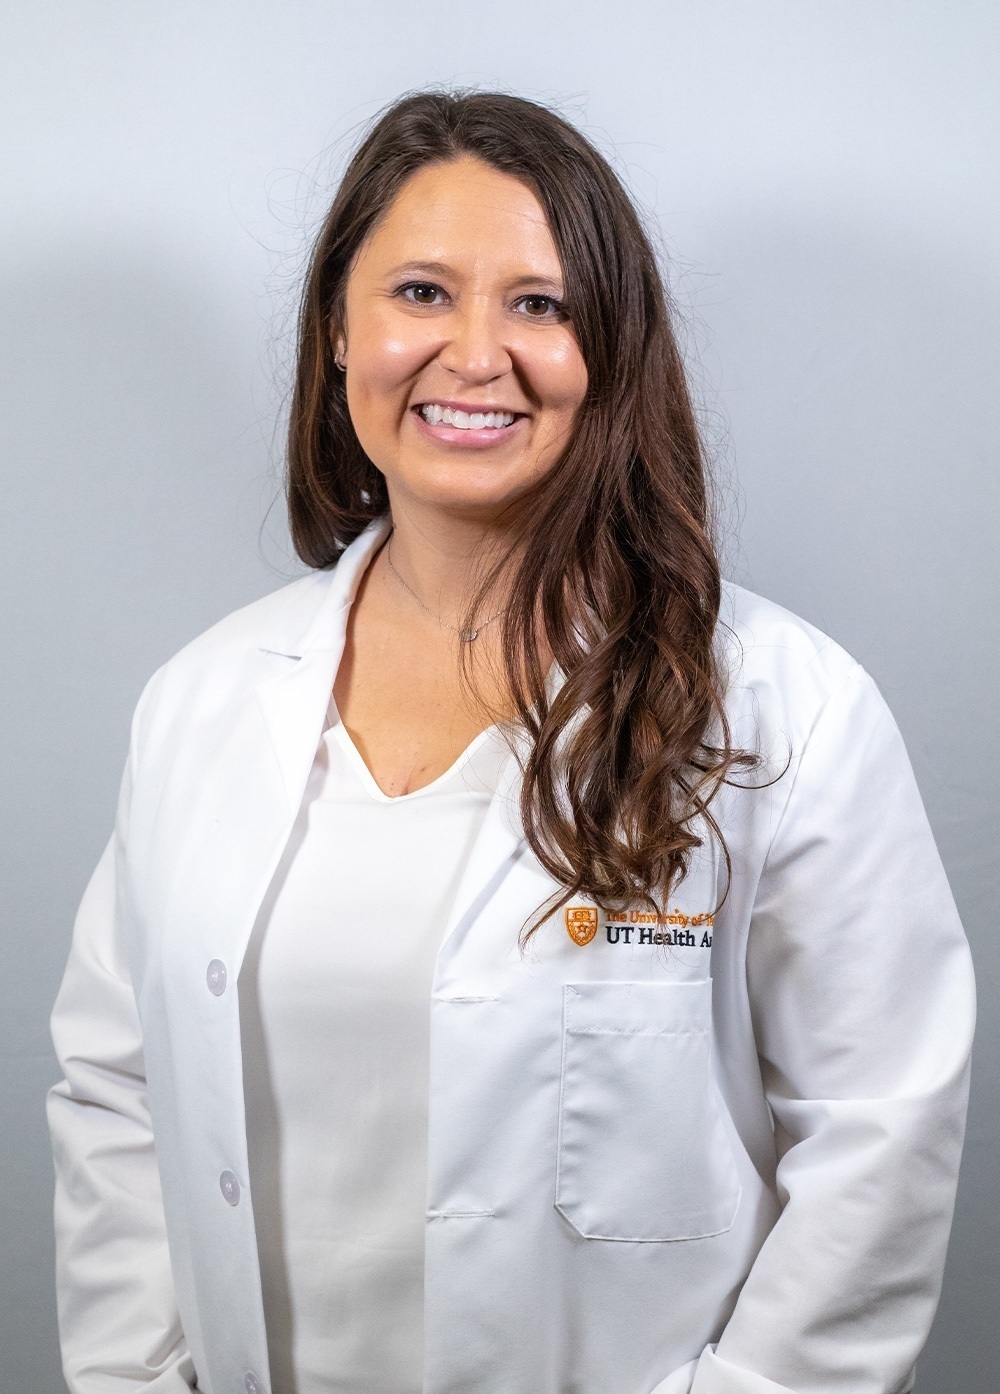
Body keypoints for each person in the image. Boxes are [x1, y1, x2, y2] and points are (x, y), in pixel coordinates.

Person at [47, 90, 975, 1394]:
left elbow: (885, 1126)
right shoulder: (200, 702)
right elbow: (115, 1090)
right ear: (338, 329)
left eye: (537, 303)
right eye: (420, 291)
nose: (475, 352)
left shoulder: (781, 706)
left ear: (611, 347)